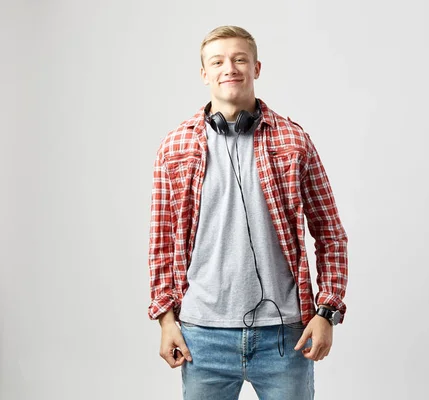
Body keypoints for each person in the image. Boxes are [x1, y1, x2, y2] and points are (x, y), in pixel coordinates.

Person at [147, 25, 348, 399]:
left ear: (256, 68)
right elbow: (160, 242)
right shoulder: (174, 148)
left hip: (285, 335)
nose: (230, 68)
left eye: (240, 59)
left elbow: (330, 233)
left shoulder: (293, 140)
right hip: (201, 335)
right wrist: (165, 320)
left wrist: (327, 312)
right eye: (218, 61)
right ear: (204, 73)